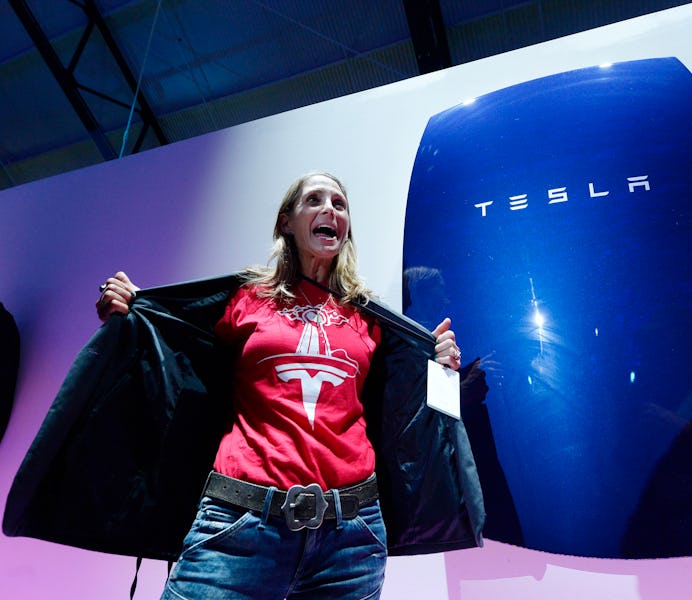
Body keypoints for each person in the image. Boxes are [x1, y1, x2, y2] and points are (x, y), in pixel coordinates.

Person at [96, 172, 464, 599]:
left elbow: (401, 407)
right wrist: (133, 308)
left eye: (339, 204)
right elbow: (177, 339)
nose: (329, 210)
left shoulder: (368, 316)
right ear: (286, 222)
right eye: (315, 200)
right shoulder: (246, 298)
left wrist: (439, 363)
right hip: (239, 525)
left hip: (351, 539)